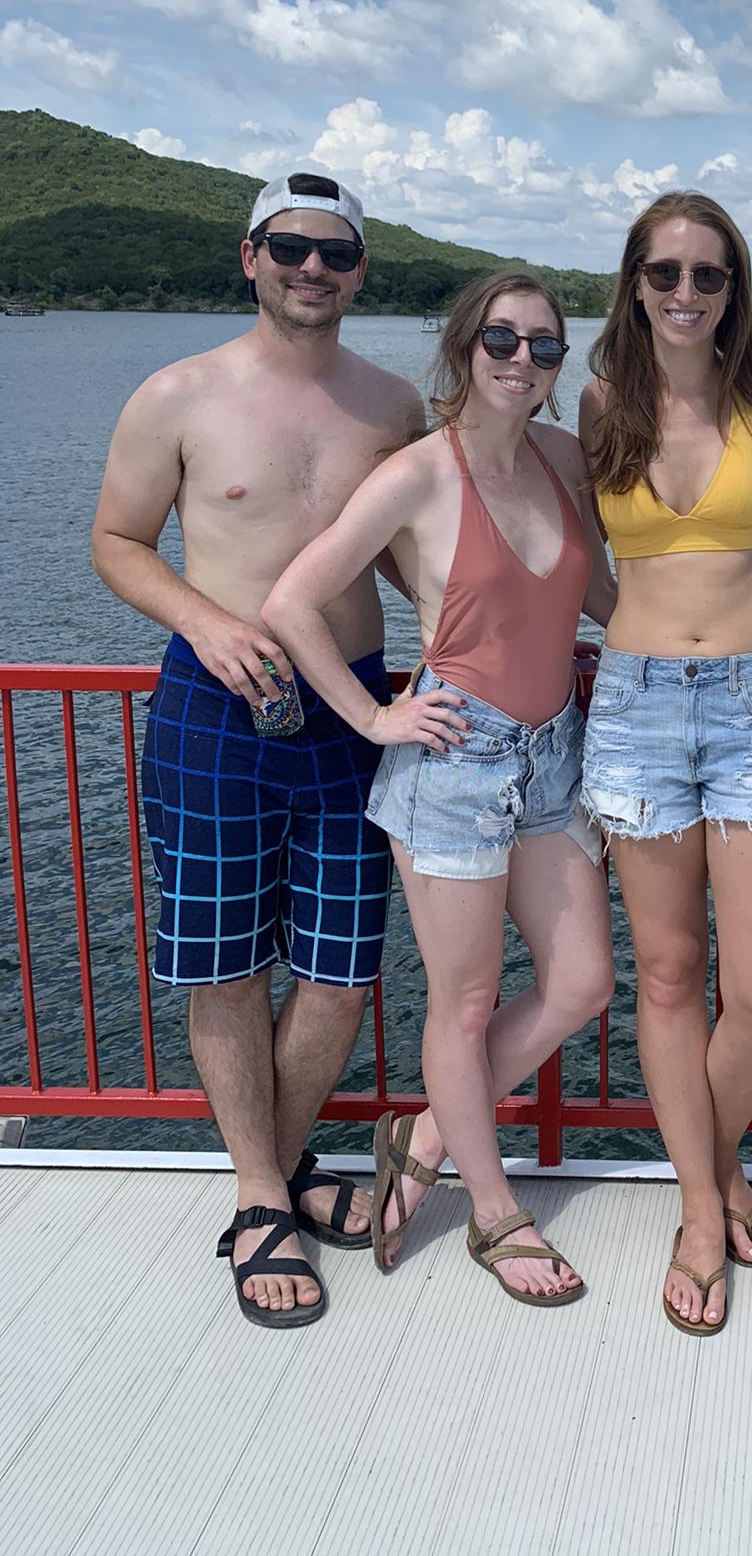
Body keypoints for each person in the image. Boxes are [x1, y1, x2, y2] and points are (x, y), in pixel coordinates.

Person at [91, 172, 426, 1327]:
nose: (312, 268)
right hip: (216, 702)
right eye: (290, 246)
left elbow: (407, 553)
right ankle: (262, 1190)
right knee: (224, 962)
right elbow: (119, 540)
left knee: (338, 969)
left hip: (354, 706)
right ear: (250, 255)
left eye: (335, 254)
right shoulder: (177, 394)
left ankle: (265, 1188)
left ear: (360, 272)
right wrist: (203, 616)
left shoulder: (390, 406)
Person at [263, 271, 617, 1304]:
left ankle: (422, 1133)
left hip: (553, 755)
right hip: (455, 764)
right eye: (501, 340)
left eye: (544, 346)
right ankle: (495, 1211)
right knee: (461, 1005)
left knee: (583, 980)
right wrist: (374, 715)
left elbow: (598, 593)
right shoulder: (419, 475)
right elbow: (293, 600)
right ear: (466, 348)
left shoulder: (561, 457)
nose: (521, 360)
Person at [579, 191, 752, 1335]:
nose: (685, 292)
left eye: (708, 275)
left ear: (735, 291)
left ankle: (711, 1159)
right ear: (634, 282)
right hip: (632, 705)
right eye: (665, 271)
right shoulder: (595, 403)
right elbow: (561, 550)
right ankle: (700, 1198)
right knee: (669, 976)